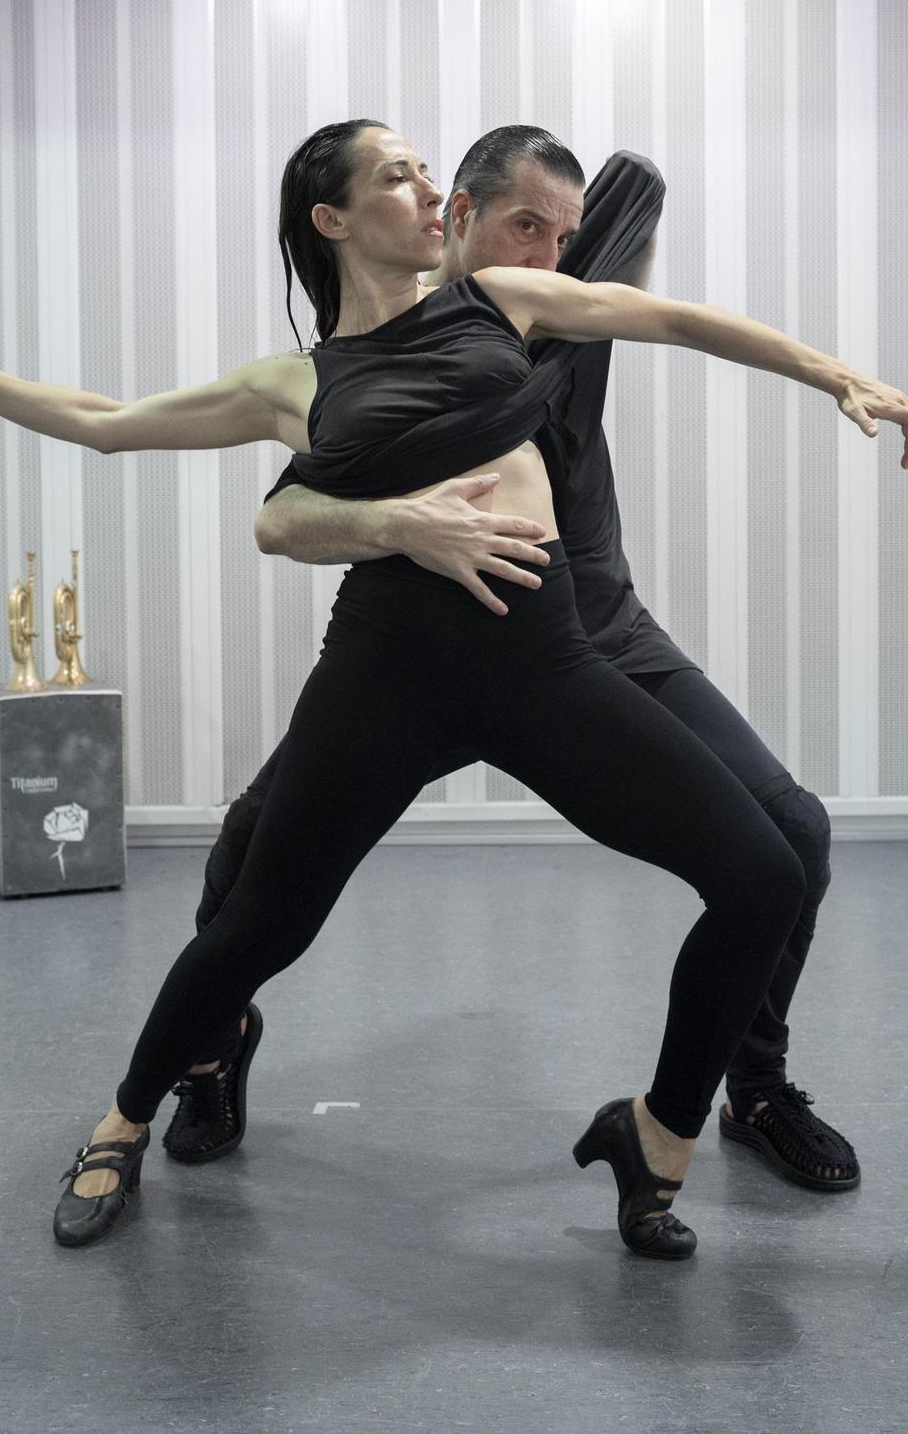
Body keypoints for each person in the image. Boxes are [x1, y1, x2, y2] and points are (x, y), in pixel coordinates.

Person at [0, 120, 908, 1259]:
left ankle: (657, 1136)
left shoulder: (503, 301)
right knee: (260, 921)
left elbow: (676, 320)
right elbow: (112, 428)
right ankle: (122, 1120)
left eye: (426, 171)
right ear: (335, 219)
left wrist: (834, 372)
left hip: (546, 663)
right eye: (398, 174)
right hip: (387, 674)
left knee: (762, 870)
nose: (425, 187)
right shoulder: (294, 381)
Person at [167, 127, 863, 1200]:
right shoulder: (394, 344)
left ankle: (752, 1087)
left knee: (795, 833)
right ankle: (210, 1046)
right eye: (521, 228)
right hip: (433, 649)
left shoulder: (559, 302)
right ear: (457, 221)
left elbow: (633, 208)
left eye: (562, 239)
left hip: (597, 632)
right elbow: (293, 504)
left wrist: (831, 371)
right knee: (252, 843)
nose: (544, 257)